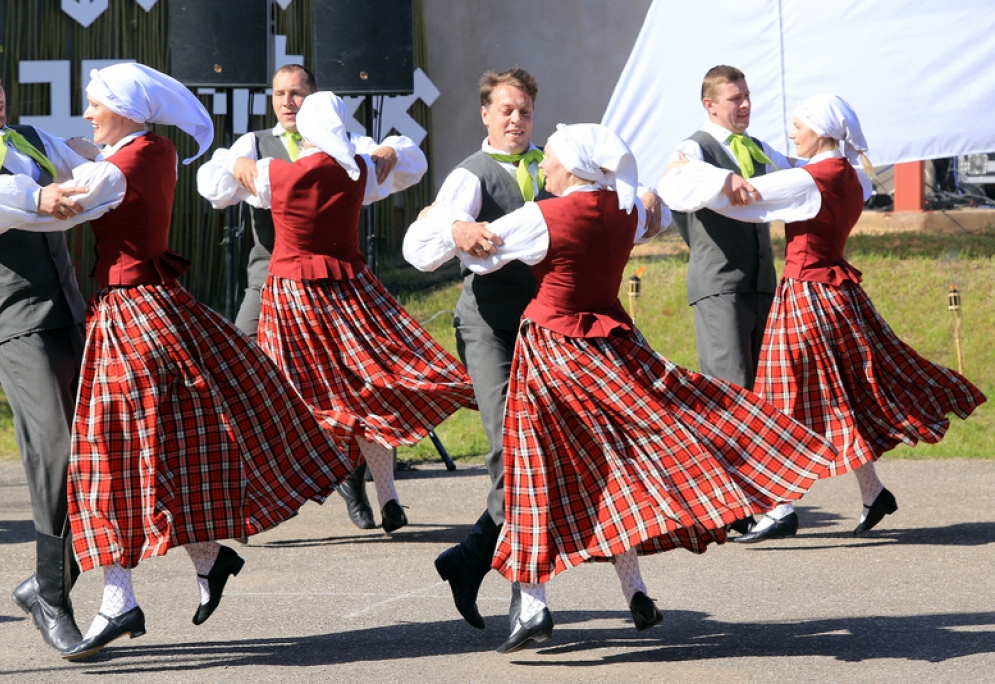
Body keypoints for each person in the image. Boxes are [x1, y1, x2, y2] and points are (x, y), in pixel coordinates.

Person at [0, 62, 358, 660]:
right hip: (26, 319)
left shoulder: (49, 145)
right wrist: (40, 191)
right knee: (81, 450)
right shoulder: (135, 153)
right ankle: (65, 592)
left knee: (123, 448)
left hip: (92, 311)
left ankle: (123, 583)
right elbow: (9, 202)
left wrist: (72, 175)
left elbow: (78, 187)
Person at [408, 123, 838, 653]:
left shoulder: (546, 215)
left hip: (553, 352)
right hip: (611, 346)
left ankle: (534, 605)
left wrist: (444, 222)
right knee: (617, 462)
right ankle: (633, 589)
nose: (545, 166)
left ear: (575, 167)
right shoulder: (623, 208)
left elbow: (477, 255)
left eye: (554, 160)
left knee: (534, 472)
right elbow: (647, 217)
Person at [404, 67, 665, 631]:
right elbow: (419, 253)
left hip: (557, 334)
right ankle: (523, 586)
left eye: (524, 111)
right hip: (496, 328)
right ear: (486, 115)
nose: (518, 121)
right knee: (513, 449)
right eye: (506, 111)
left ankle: (475, 558)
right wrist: (451, 228)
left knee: (570, 453)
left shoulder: (565, 164)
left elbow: (623, 211)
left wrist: (641, 195)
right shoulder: (471, 175)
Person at [659, 93, 986, 542]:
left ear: (822, 130)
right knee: (839, 398)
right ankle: (873, 493)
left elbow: (742, 202)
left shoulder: (811, 178)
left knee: (777, 403)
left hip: (807, 296)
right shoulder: (852, 177)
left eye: (798, 126)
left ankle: (779, 506)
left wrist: (685, 175)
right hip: (839, 292)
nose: (792, 133)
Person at [198, 91, 476, 535]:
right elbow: (408, 158)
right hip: (350, 291)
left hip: (294, 296)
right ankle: (387, 496)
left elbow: (214, 181)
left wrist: (232, 161)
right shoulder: (359, 171)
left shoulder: (277, 174)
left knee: (283, 400)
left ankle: (252, 501)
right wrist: (385, 148)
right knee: (365, 392)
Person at [0, 47, 98, 652]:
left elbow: (86, 164)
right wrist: (37, 199)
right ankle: (52, 595)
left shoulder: (29, 135)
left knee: (94, 454)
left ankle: (49, 582)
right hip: (17, 321)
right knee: (56, 446)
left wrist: (122, 151)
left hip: (73, 312)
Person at [665, 64, 797, 536]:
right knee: (730, 393)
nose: (743, 105)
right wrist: (722, 181)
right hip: (719, 285)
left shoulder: (757, 148)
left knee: (762, 396)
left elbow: (799, 175)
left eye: (746, 97)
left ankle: (760, 503)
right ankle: (750, 504)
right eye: (734, 98)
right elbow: (677, 180)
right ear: (710, 104)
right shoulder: (695, 147)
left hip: (762, 282)